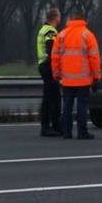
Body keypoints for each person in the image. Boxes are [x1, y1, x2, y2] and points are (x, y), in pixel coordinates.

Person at [51, 9, 101, 140]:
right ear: (83, 20)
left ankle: (66, 132)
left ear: (71, 20)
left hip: (66, 79)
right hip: (83, 80)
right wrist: (97, 76)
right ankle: (82, 132)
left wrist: (56, 73)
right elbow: (94, 58)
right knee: (82, 107)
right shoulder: (87, 34)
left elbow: (55, 56)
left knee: (67, 106)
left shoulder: (61, 35)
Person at [35, 8, 62, 137]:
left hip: (44, 65)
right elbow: (52, 49)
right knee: (52, 98)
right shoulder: (50, 31)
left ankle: (51, 125)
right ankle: (49, 126)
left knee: (50, 97)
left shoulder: (43, 29)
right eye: (59, 16)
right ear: (55, 17)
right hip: (49, 66)